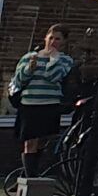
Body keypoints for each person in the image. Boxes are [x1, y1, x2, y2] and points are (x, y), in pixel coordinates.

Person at [9, 26, 79, 182]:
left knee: (42, 140)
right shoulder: (29, 57)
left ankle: (26, 174)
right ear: (45, 38)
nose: (53, 41)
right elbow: (19, 80)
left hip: (50, 104)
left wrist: (53, 60)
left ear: (64, 42)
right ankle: (31, 179)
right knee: (30, 141)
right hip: (29, 104)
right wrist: (29, 68)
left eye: (57, 39)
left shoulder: (65, 60)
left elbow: (53, 76)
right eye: (51, 37)